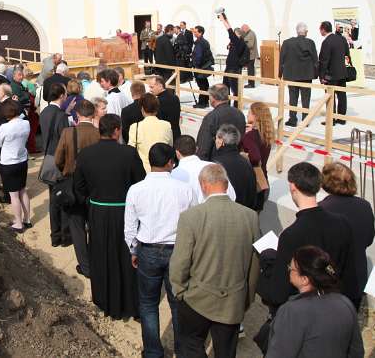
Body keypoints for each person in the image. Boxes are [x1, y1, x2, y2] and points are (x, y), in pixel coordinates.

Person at [169, 163, 260, 358]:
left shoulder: (191, 217)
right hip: (233, 299)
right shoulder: (250, 217)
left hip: (196, 298)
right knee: (226, 351)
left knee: (192, 345)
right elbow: (254, 264)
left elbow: (180, 262)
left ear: (204, 185)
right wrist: (247, 297)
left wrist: (180, 291)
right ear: (226, 185)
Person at [124, 143, 195, 358]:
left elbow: (130, 226)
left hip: (148, 250)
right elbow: (193, 223)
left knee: (148, 304)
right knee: (178, 304)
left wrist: (133, 250)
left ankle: (153, 352)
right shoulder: (184, 189)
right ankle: (183, 350)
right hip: (177, 251)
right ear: (170, 163)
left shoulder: (136, 189)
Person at [257, 162, 358, 311]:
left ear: (293, 187)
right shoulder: (343, 224)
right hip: (334, 304)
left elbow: (277, 293)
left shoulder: (292, 235)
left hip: (303, 309)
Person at [74, 113, 146, 319]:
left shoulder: (86, 154)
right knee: (127, 256)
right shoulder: (128, 153)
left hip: (98, 212)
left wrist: (89, 203)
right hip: (125, 212)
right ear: (116, 131)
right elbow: (140, 183)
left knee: (101, 255)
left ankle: (105, 300)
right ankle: (130, 303)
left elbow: (79, 187)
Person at [266, 246, 364, 358]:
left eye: (291, 269)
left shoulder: (292, 312)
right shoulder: (345, 303)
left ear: (304, 279)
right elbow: (357, 352)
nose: (289, 270)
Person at [318, 162, 375, 310]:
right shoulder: (364, 205)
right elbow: (369, 239)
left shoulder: (322, 209)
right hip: (357, 275)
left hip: (332, 280)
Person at [54, 99, 100, 278]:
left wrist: (66, 171)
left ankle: (86, 266)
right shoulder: (98, 133)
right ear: (94, 114)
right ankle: (97, 260)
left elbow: (58, 159)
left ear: (77, 115)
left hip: (73, 182)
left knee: (77, 226)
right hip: (94, 184)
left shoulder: (68, 133)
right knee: (94, 224)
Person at [39, 82, 70, 247]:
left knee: (53, 199)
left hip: (48, 159)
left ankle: (55, 235)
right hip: (60, 161)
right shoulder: (61, 116)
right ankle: (64, 236)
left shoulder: (44, 112)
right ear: (61, 96)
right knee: (63, 198)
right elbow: (64, 141)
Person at [0, 100, 31, 233]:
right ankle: (27, 219)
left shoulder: (5, 127)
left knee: (14, 195)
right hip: (22, 160)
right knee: (22, 190)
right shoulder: (26, 123)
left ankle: (18, 223)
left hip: (9, 162)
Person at [172, 135, 236, 203]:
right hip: (218, 210)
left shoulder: (173, 175)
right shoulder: (215, 167)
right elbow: (231, 195)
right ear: (196, 149)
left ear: (177, 153)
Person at [279, 22, 318, 127]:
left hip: (291, 75)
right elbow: (315, 59)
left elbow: (281, 59)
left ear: (297, 31)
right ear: (305, 32)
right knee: (306, 98)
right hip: (306, 75)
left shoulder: (287, 43)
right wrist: (317, 74)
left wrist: (280, 74)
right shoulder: (310, 43)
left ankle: (292, 119)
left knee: (293, 97)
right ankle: (305, 119)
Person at [195, 84, 246, 161]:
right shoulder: (239, 114)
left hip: (216, 163)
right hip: (236, 159)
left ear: (213, 98)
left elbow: (203, 146)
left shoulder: (211, 117)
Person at [211, 124, 257, 209]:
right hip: (246, 211)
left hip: (229, 213)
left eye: (216, 138)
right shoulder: (246, 162)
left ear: (221, 141)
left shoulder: (217, 164)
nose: (215, 141)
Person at [241, 101, 274, 211]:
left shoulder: (250, 136)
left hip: (253, 185)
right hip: (263, 182)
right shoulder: (266, 134)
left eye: (249, 112)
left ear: (255, 116)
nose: (247, 115)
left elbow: (255, 158)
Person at [128, 93, 173, 172]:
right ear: (157, 109)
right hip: (162, 169)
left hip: (143, 171)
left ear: (142, 109)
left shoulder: (135, 127)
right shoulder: (166, 125)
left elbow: (130, 151)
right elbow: (170, 146)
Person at [318, 20, 350, 125]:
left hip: (331, 75)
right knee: (342, 96)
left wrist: (321, 76)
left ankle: (331, 119)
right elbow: (347, 54)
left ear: (323, 29)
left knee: (330, 96)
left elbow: (324, 61)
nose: (319, 31)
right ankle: (341, 118)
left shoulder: (326, 42)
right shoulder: (342, 39)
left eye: (320, 29)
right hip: (342, 73)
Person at [219, 14, 247, 104]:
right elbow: (231, 31)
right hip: (229, 68)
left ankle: (236, 107)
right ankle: (227, 105)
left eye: (235, 34)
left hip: (233, 69)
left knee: (235, 90)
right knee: (225, 88)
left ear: (238, 35)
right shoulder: (237, 42)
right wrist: (226, 19)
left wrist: (223, 21)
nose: (232, 36)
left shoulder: (239, 43)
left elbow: (229, 31)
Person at [147, 74, 181, 140]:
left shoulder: (157, 101)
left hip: (164, 136)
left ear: (160, 86)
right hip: (176, 134)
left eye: (152, 87)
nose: (150, 90)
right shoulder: (175, 97)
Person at [240, 24, 259, 88]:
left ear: (246, 28)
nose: (242, 31)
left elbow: (250, 45)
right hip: (249, 55)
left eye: (243, 29)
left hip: (251, 55)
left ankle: (251, 84)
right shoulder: (249, 33)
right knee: (250, 69)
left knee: (250, 70)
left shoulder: (251, 34)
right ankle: (250, 83)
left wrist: (242, 44)